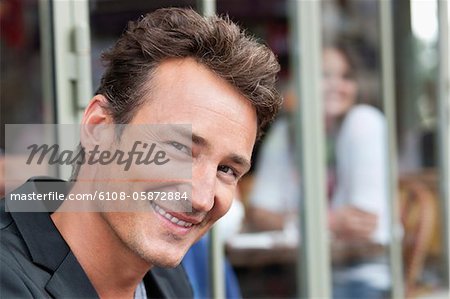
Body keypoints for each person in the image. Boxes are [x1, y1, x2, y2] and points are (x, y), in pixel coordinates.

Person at [0, 8, 281, 298]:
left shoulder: (166, 279)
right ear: (99, 128)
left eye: (227, 170)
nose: (201, 198)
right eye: (180, 148)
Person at [247, 42, 390, 298]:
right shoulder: (286, 132)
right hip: (299, 273)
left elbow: (362, 221)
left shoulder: (363, 122)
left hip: (361, 275)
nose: (336, 86)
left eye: (346, 77)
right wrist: (330, 221)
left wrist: (290, 220)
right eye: (324, 75)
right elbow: (259, 212)